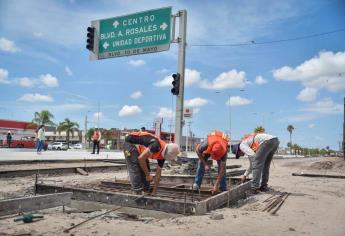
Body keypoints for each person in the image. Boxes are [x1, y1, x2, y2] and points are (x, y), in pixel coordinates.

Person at [123, 131, 179, 195]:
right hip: (130, 142)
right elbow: (141, 159)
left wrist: (154, 191)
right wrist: (147, 175)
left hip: (140, 149)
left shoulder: (163, 157)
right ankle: (137, 191)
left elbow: (158, 174)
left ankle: (146, 189)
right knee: (134, 166)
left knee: (145, 166)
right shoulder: (156, 145)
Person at [193, 130, 229, 195]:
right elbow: (197, 151)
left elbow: (222, 169)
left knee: (222, 169)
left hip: (219, 144)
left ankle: (223, 187)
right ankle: (197, 184)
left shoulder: (224, 152)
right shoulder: (205, 145)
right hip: (210, 145)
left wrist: (216, 185)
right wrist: (205, 164)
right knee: (201, 163)